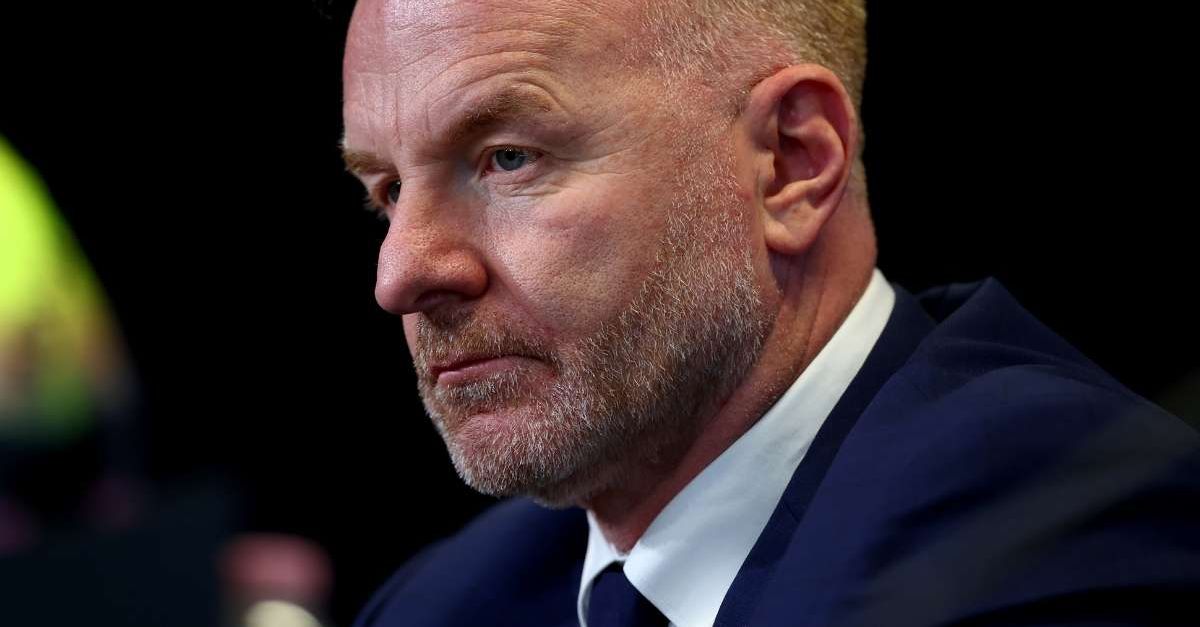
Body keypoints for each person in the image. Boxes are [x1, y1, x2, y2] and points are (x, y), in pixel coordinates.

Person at [339, 0, 1200, 625]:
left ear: (790, 163)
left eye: (508, 158)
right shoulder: (439, 602)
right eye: (387, 190)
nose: (401, 273)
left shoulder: (1061, 532)